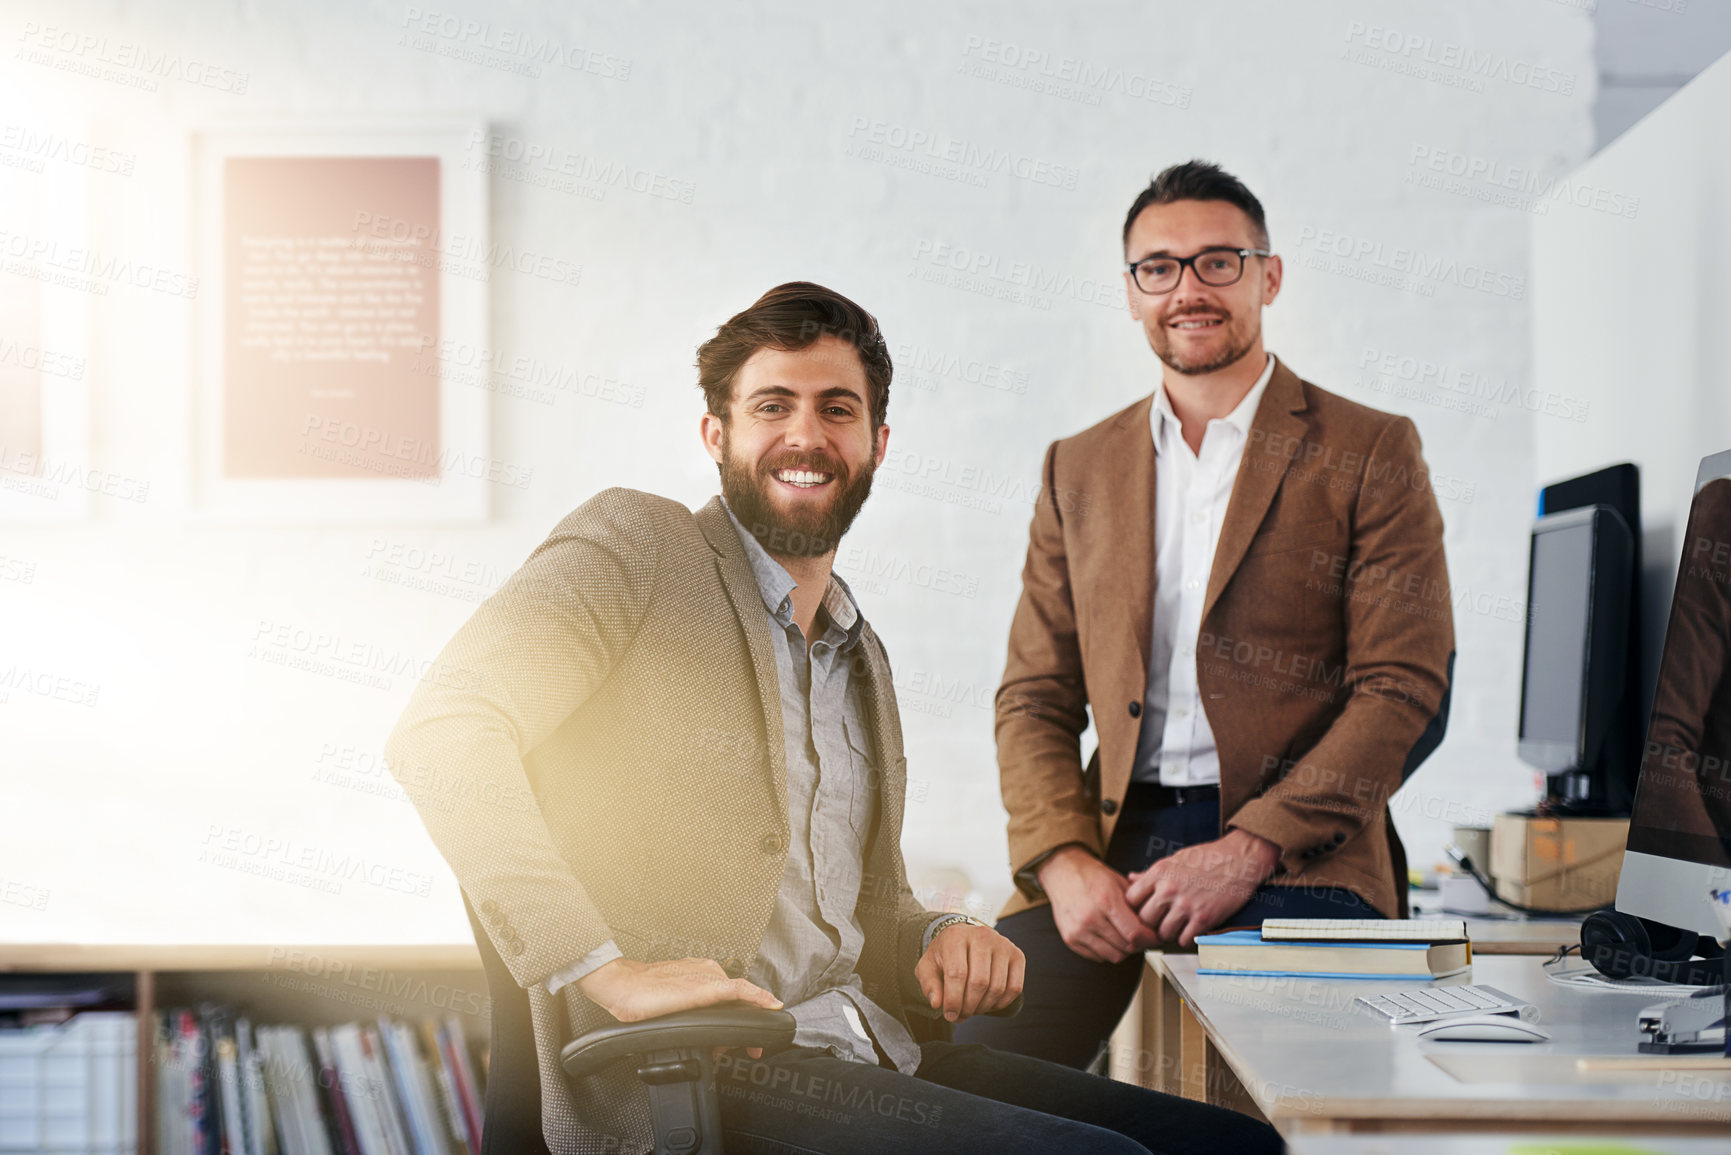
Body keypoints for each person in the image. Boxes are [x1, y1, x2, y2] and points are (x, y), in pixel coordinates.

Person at [384, 282, 1282, 1154]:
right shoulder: (639, 548)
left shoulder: (858, 651)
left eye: (836, 408)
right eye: (771, 405)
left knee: (1233, 1145)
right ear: (716, 433)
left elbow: (865, 911)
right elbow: (444, 731)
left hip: (866, 1049)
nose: (804, 435)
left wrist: (939, 935)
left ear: (878, 442)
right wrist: (605, 970)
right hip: (698, 1075)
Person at [957, 162, 1456, 1070]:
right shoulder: (1078, 465)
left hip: (1302, 850)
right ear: (1131, 292)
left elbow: (1401, 688)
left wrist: (1248, 847)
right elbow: (1032, 697)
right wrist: (1062, 859)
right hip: (1113, 844)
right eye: (1160, 267)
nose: (1188, 288)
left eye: (1217, 262)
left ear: (1267, 276)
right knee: (973, 1062)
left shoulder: (1368, 447)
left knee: (1267, 1089)